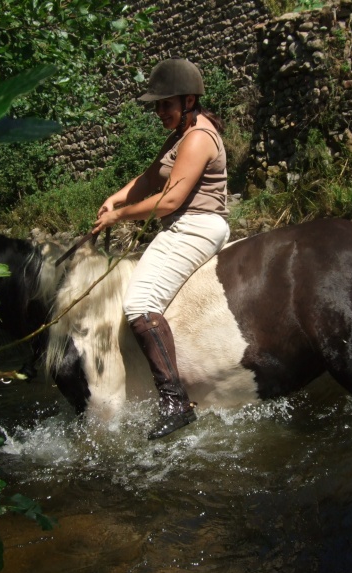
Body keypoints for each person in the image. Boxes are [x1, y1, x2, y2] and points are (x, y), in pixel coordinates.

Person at [92, 58, 230, 440]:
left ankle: (175, 402)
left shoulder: (199, 137)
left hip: (195, 226)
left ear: (189, 100)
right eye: (157, 105)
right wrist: (115, 198)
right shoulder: (182, 135)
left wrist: (119, 218)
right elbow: (150, 177)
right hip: (188, 225)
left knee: (139, 303)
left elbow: (169, 201)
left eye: (165, 104)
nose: (159, 112)